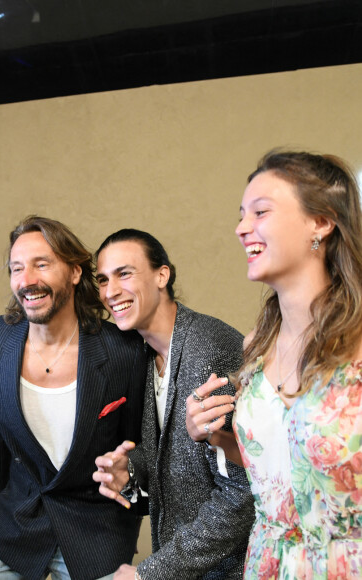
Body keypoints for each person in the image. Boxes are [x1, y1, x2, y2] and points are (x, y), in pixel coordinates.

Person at [193, 150, 362, 578]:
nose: (241, 227)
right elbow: (277, 469)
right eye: (241, 215)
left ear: (321, 222)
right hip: (271, 562)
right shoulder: (257, 344)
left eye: (261, 212)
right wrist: (218, 437)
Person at [0, 216, 147, 580]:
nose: (27, 280)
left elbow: (139, 445)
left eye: (42, 264)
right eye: (17, 268)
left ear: (75, 272)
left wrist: (127, 518)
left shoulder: (123, 351)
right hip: (18, 518)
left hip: (94, 528)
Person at [93, 229, 254, 579]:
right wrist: (130, 471)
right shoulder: (144, 354)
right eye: (103, 279)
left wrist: (149, 573)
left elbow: (242, 496)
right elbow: (179, 460)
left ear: (162, 275)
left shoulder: (210, 350)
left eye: (124, 274)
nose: (110, 292)